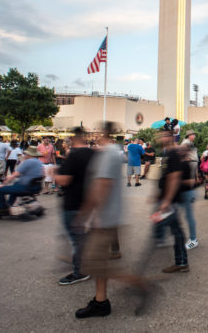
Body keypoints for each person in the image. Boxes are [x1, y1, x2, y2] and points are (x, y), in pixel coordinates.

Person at [75, 122, 150, 318]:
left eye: (97, 132)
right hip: (107, 217)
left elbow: (102, 185)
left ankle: (140, 285)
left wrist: (88, 214)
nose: (95, 136)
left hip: (104, 218)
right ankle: (101, 302)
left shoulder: (107, 154)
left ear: (103, 133)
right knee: (99, 263)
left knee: (92, 263)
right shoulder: (110, 153)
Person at [55, 127, 95, 285]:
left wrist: (54, 174)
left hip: (73, 203)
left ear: (73, 138)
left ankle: (81, 270)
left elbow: (64, 181)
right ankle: (80, 261)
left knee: (76, 238)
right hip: (88, 201)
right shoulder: (93, 154)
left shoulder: (73, 155)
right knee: (79, 236)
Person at [153, 130, 189, 273]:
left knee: (177, 231)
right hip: (168, 199)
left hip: (171, 200)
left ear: (170, 137)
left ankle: (181, 262)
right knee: (176, 230)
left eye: (163, 135)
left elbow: (174, 178)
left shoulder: (173, 153)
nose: (161, 138)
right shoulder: (168, 153)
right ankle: (181, 262)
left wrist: (167, 200)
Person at [0, 146, 44, 215]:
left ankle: (2, 208)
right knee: (15, 186)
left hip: (26, 187)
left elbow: (14, 174)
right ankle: (9, 205)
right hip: (35, 187)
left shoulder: (28, 162)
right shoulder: (38, 162)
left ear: (29, 154)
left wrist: (2, 184)